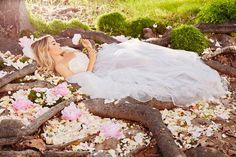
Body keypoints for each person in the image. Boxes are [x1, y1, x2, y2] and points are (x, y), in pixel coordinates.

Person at [31, 35, 227, 107]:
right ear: (46, 51)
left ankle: (178, 68)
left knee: (137, 55)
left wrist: (88, 48)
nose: (57, 43)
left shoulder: (66, 51)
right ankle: (185, 82)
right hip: (98, 73)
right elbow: (83, 79)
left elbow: (85, 57)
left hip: (102, 61)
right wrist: (91, 54)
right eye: (52, 43)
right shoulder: (60, 66)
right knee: (139, 73)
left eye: (54, 41)